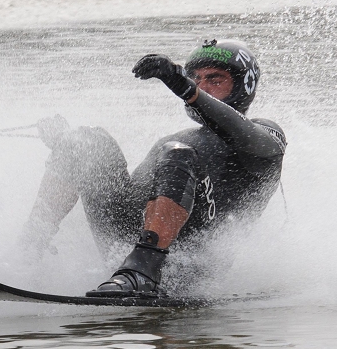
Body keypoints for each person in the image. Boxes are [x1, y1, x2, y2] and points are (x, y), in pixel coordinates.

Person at [23, 39, 287, 298]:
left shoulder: (266, 134)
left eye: (214, 80)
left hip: (190, 264)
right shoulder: (179, 138)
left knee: (178, 153)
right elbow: (133, 197)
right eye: (195, 79)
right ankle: (27, 254)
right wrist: (67, 145)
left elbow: (245, 133)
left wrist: (186, 88)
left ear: (243, 87)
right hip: (123, 252)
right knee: (85, 140)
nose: (201, 87)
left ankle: (143, 273)